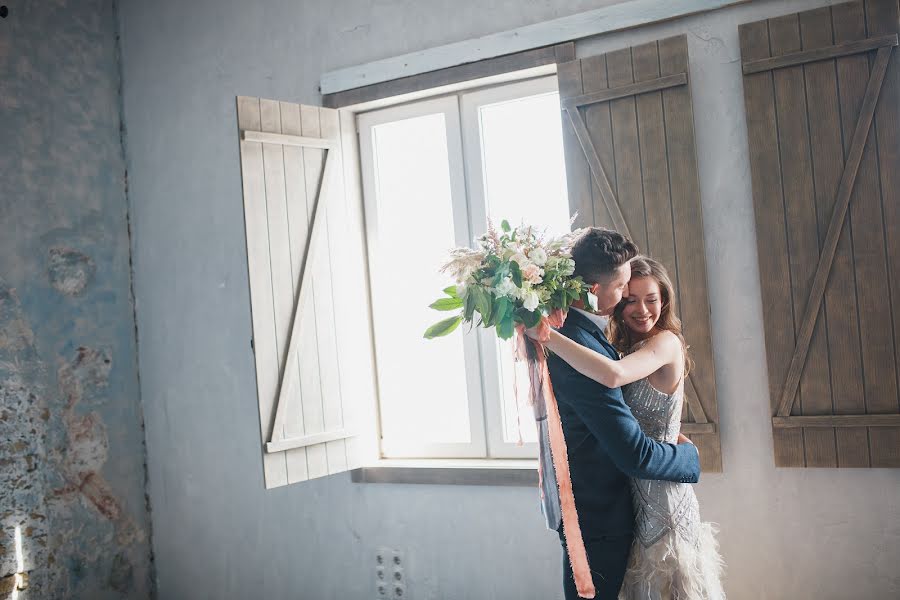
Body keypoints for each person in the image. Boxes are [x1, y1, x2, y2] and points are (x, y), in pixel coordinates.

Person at [528, 228, 702, 599]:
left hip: (654, 498)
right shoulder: (591, 344)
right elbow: (628, 435)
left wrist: (690, 456)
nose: (632, 303)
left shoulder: (645, 342)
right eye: (625, 290)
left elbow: (615, 378)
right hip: (609, 508)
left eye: (650, 298)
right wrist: (688, 456)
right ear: (595, 290)